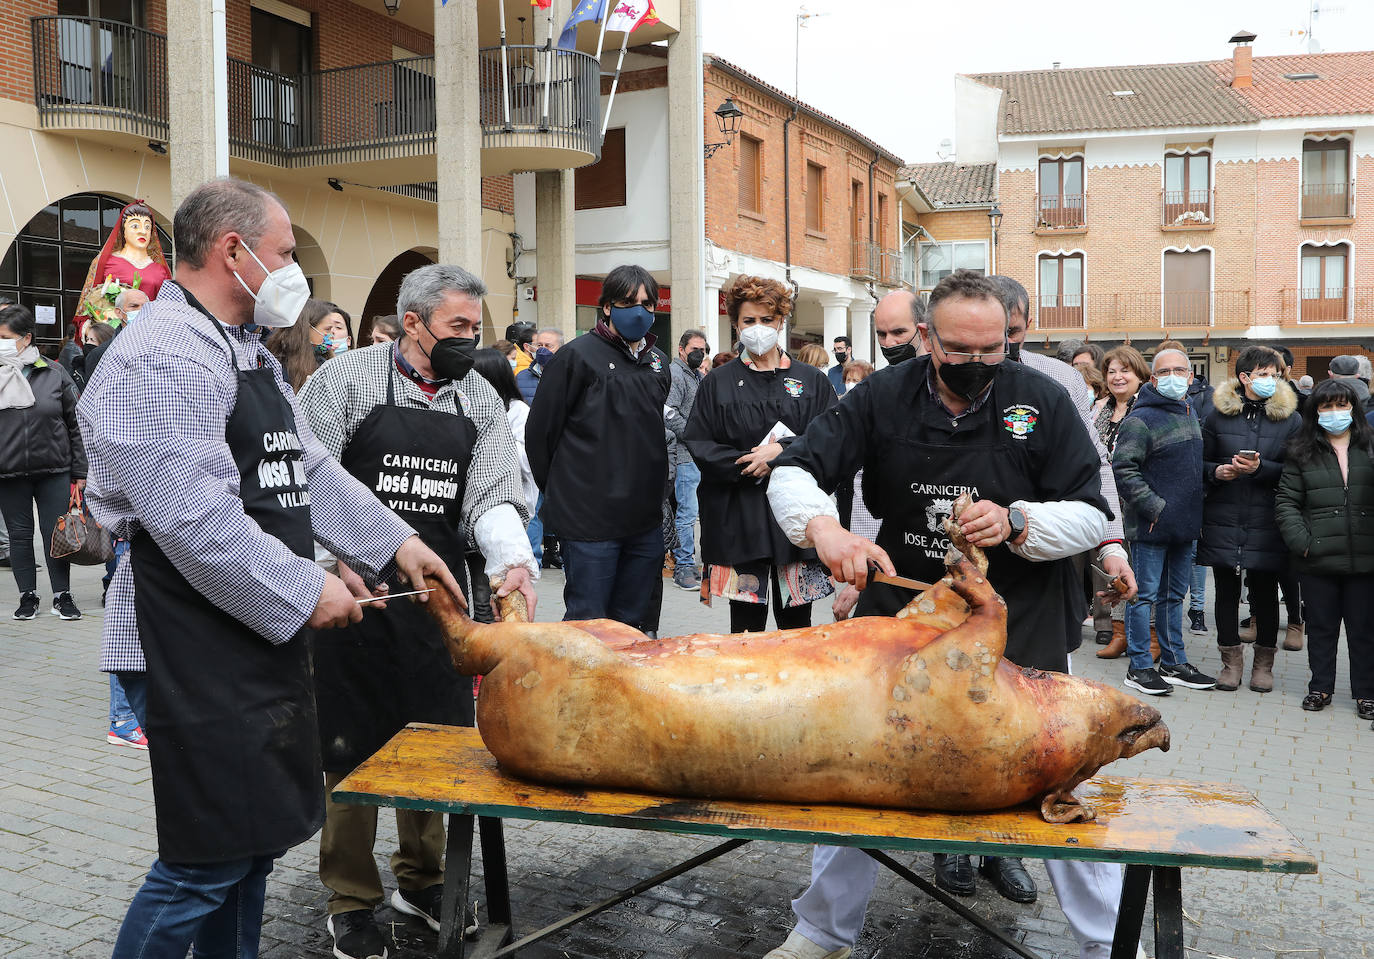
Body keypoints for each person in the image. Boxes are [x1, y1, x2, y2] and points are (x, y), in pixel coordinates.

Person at [77, 177, 462, 959]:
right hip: (192, 639)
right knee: (203, 861)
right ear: (233, 251)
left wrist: (395, 543)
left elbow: (307, 466)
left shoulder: (240, 348)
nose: (294, 270)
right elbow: (193, 519)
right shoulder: (163, 353)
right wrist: (304, 586)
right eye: (285, 252)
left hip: (249, 634)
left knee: (250, 849)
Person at [761, 269, 1121, 959]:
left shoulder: (1041, 398)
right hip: (906, 614)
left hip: (1022, 619)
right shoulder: (880, 396)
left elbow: (1090, 513)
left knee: (1054, 777)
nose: (980, 365)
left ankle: (1106, 942)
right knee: (859, 763)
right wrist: (826, 532)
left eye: (994, 351)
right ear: (927, 337)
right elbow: (793, 469)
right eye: (962, 350)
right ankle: (823, 930)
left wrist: (1019, 520)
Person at [298, 264, 537, 959]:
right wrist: (338, 553)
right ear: (412, 322)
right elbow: (306, 476)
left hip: (439, 603)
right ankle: (351, 898)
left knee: (436, 745)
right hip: (351, 602)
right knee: (350, 750)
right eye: (458, 326)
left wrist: (509, 559)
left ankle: (426, 880)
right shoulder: (342, 383)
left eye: (475, 327)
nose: (471, 339)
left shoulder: (480, 400)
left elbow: (492, 492)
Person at [685, 276, 835, 632]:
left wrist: (780, 453)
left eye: (766, 320)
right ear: (736, 324)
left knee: (798, 628)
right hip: (741, 516)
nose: (758, 329)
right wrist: (746, 464)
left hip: (797, 521)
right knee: (746, 629)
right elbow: (700, 442)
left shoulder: (811, 381)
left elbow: (831, 439)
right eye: (748, 321)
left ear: (781, 321)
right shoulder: (717, 382)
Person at [526, 264, 671, 627]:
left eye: (648, 304)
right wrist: (567, 492)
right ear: (606, 306)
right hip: (589, 523)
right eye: (628, 302)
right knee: (589, 625)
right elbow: (540, 436)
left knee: (635, 626)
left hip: (644, 522)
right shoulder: (575, 357)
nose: (640, 311)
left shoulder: (658, 363)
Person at [1112, 348, 1217, 696]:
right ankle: (1139, 666)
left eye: (1180, 370)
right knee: (1142, 596)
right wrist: (1154, 507)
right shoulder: (1140, 419)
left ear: (1190, 377)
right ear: (1153, 379)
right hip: (1152, 527)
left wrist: (1216, 472)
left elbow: (1186, 468)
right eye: (1165, 371)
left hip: (1184, 526)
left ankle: (1173, 663)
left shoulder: (1188, 411)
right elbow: (1124, 469)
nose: (1173, 377)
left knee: (1174, 597)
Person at [1199, 346, 1300, 693]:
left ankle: (1263, 664)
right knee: (1225, 590)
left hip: (1268, 516)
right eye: (1264, 374)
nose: (1271, 380)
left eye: (1275, 374)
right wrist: (1218, 471)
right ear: (1244, 377)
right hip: (1224, 513)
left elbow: (1297, 471)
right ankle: (1230, 662)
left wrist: (1262, 469)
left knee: (1265, 592)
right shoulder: (1216, 416)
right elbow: (1199, 464)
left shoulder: (1291, 419)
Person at [1276, 378, 1374, 722]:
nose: (1335, 413)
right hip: (1317, 558)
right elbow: (1287, 501)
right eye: (1326, 406)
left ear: (1354, 409)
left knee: (1363, 630)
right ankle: (1320, 688)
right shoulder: (1302, 450)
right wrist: (1303, 543)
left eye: (1341, 405)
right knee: (1321, 628)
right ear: (1315, 412)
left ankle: (1366, 693)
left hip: (1365, 558)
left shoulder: (1370, 446)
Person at [0, 304, 87, 622]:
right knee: (19, 536)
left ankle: (62, 595)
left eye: (4, 337)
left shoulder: (53, 371)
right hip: (8, 472)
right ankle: (27, 596)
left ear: (26, 338)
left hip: (54, 469)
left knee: (56, 535)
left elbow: (75, 424)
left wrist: (80, 471)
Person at [1091, 345, 1150, 656]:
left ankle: (1147, 638)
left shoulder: (1147, 410)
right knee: (1113, 566)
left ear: (1139, 374)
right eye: (1111, 371)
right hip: (1105, 502)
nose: (1117, 377)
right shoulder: (1100, 410)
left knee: (1140, 571)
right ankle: (1118, 632)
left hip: (1137, 502)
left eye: (1124, 370)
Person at [75, 200, 171, 340]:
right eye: (135, 225)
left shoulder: (160, 270)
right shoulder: (106, 263)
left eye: (147, 226)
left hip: (151, 334)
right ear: (123, 231)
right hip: (112, 334)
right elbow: (87, 303)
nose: (142, 231)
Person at [665, 328, 709, 590]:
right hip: (684, 455)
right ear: (681, 349)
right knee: (686, 513)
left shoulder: (693, 374)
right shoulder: (676, 374)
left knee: (691, 512)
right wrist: (691, 435)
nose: (699, 354)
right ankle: (683, 566)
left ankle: (688, 562)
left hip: (695, 454)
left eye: (702, 350)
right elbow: (667, 411)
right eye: (694, 349)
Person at [266, 298, 345, 392]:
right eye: (327, 329)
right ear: (307, 330)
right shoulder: (276, 365)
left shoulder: (326, 363)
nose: (331, 335)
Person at [873, 289, 924, 365]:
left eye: (898, 332)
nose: (888, 343)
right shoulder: (878, 377)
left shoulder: (941, 374)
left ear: (922, 331)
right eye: (882, 334)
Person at [516, 326, 563, 405]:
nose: (542, 350)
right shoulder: (521, 377)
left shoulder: (570, 376)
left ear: (561, 349)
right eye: (539, 345)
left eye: (548, 346)